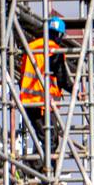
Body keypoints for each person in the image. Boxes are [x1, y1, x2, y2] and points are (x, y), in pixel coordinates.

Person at [20, 16, 71, 161]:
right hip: (42, 103)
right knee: (51, 139)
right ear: (60, 35)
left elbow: (23, 74)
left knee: (44, 138)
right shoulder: (54, 50)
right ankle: (30, 171)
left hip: (28, 100)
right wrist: (75, 90)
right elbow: (61, 77)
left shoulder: (32, 46)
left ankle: (38, 173)